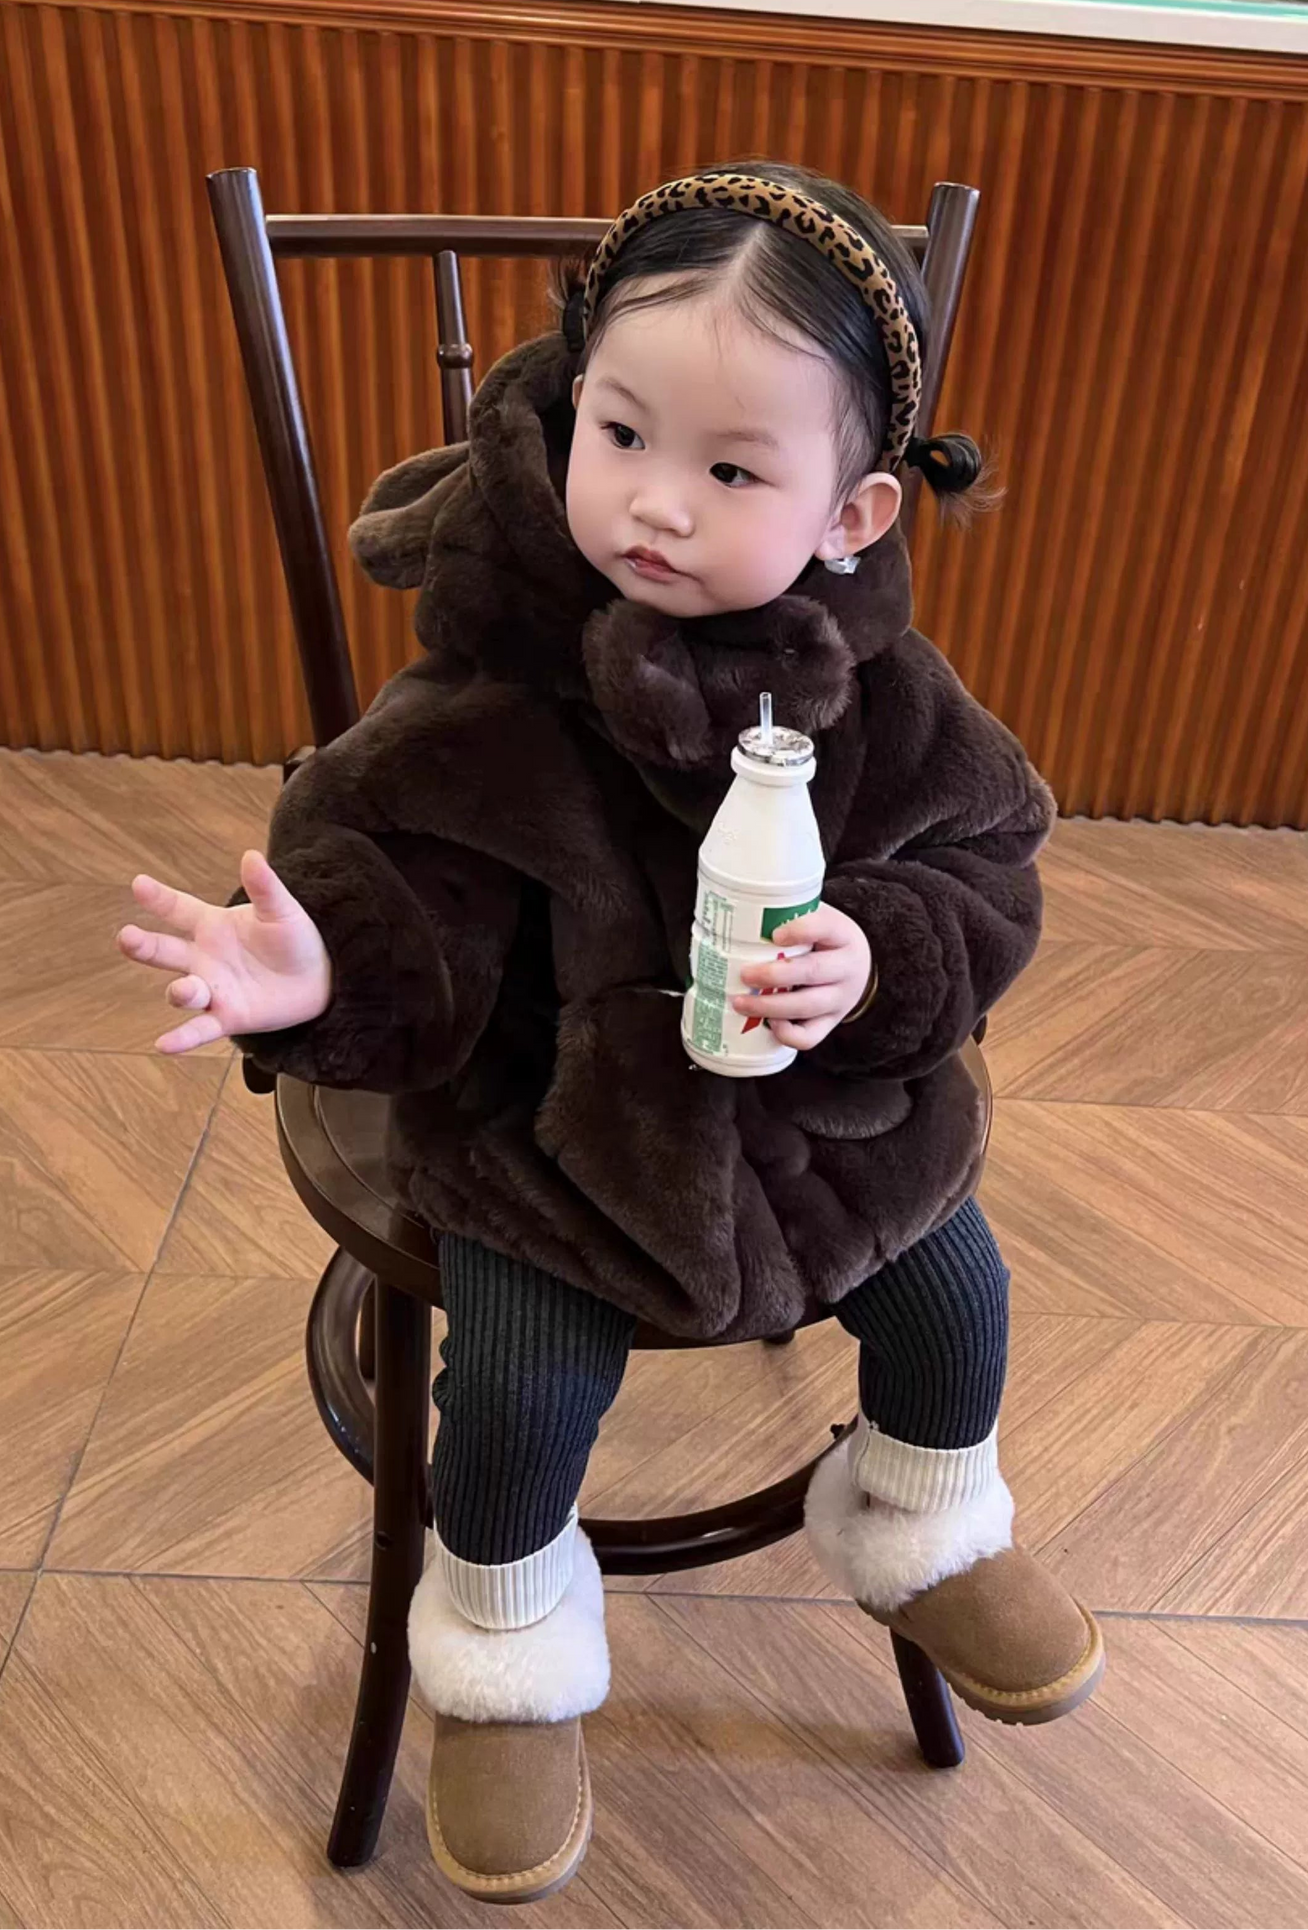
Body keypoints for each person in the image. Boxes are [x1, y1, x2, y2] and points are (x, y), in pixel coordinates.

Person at [119, 165, 1103, 1904]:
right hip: (548, 1128)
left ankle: (920, 1510)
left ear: (855, 512)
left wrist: (875, 962)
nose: (654, 504)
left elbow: (983, 866)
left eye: (731, 471)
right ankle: (503, 1634)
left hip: (823, 1126)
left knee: (958, 1292)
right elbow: (394, 867)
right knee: (517, 1374)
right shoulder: (503, 678)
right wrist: (321, 975)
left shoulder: (884, 700)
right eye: (622, 434)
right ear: (572, 411)